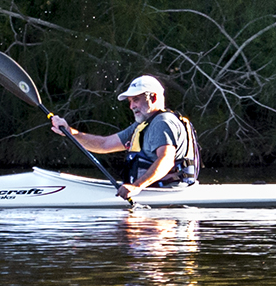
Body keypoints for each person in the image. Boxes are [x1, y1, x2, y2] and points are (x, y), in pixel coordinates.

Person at [50, 74, 199, 196]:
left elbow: (166, 160)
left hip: (167, 195)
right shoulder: (142, 126)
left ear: (153, 98)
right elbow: (104, 144)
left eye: (136, 100)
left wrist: (137, 186)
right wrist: (69, 132)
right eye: (130, 101)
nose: (131, 106)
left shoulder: (163, 122)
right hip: (151, 191)